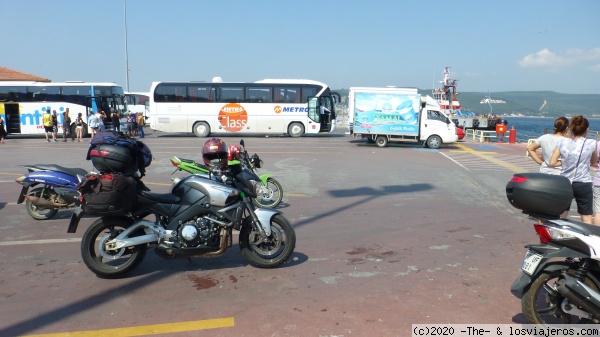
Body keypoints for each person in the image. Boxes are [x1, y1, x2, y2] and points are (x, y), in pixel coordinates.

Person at [550, 115, 598, 224]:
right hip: (583, 182)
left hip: (565, 182)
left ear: (571, 128)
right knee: (586, 216)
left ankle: (560, 236)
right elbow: (594, 162)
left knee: (562, 212)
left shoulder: (562, 142)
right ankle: (587, 237)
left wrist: (566, 161)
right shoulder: (591, 143)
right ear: (587, 129)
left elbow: (552, 162)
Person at [528, 116, 570, 218]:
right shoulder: (567, 141)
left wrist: (539, 161)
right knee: (563, 202)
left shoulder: (544, 137)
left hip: (544, 172)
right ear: (567, 128)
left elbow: (530, 148)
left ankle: (542, 223)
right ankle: (561, 224)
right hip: (561, 174)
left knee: (544, 201)